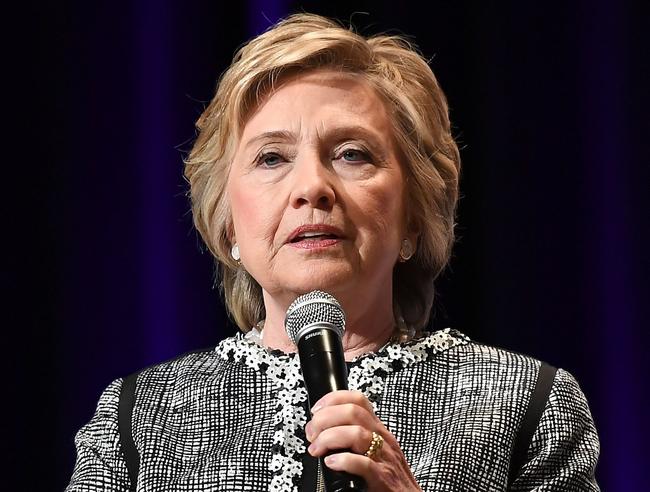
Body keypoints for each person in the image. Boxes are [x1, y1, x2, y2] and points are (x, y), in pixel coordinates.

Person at [66, 13, 600, 492]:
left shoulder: (528, 405)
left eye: (352, 154)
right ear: (227, 223)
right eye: (272, 158)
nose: (312, 187)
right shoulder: (137, 418)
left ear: (414, 216)